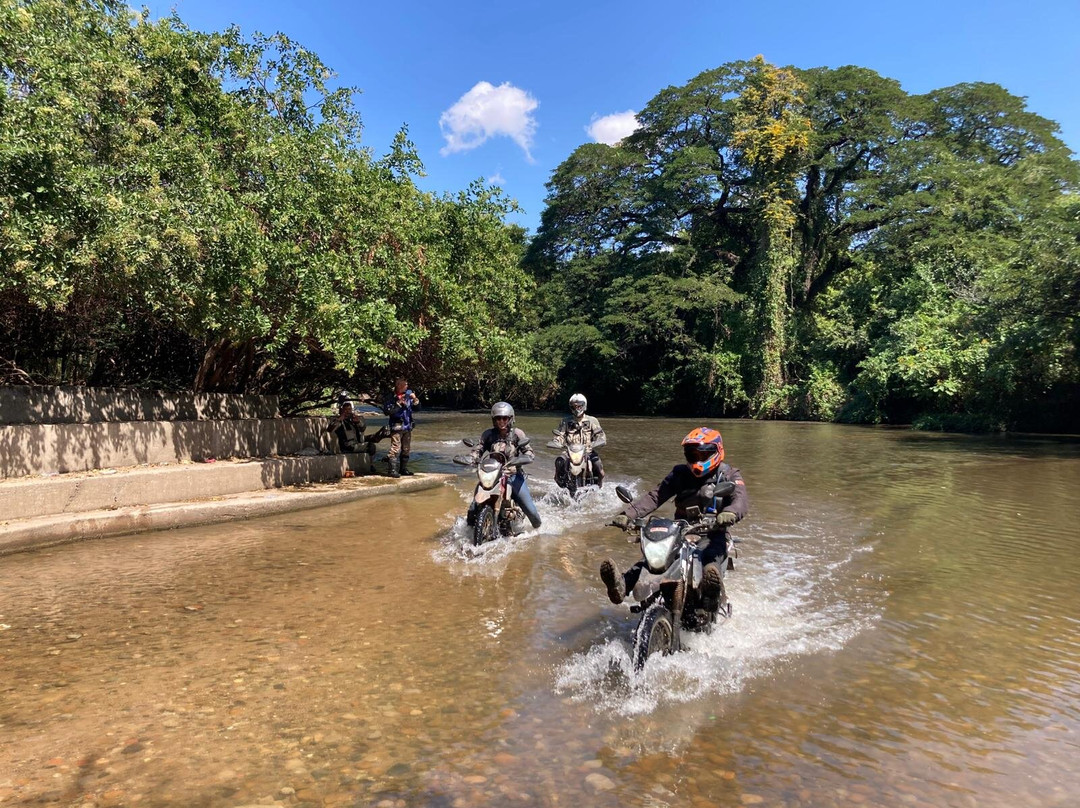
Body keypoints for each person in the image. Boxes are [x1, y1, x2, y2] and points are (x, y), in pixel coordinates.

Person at [600, 427, 748, 617]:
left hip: (713, 532)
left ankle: (709, 594)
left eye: (703, 454)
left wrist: (729, 513)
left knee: (710, 558)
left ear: (717, 451)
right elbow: (655, 496)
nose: (697, 459)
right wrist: (628, 514)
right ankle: (621, 585)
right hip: (681, 530)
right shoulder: (680, 473)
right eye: (692, 454)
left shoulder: (729, 475)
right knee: (655, 559)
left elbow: (740, 500)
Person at [467, 401, 542, 529]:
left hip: (513, 476)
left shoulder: (518, 434)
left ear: (510, 418)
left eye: (504, 418)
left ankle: (539, 532)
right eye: (498, 418)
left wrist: (525, 457)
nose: (501, 421)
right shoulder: (488, 435)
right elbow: (478, 449)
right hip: (492, 475)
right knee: (473, 508)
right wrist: (472, 458)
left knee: (531, 511)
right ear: (494, 420)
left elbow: (528, 451)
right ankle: (470, 532)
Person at [549, 393, 606, 488]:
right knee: (559, 462)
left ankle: (599, 487)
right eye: (574, 407)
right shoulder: (565, 421)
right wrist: (556, 441)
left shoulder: (592, 421)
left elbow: (600, 435)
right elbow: (560, 435)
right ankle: (559, 480)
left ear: (584, 406)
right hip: (570, 452)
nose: (577, 409)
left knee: (598, 466)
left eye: (579, 406)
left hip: (588, 451)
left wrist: (598, 441)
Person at [327, 399, 388, 472]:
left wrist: (358, 422)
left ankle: (380, 435)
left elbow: (363, 428)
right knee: (371, 446)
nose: (347, 412)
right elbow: (330, 429)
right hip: (349, 445)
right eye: (345, 410)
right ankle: (370, 465)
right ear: (341, 410)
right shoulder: (338, 420)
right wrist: (340, 419)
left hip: (358, 441)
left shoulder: (354, 419)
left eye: (349, 409)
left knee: (374, 438)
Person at [383, 378, 420, 478]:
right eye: (405, 385)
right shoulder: (391, 396)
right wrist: (399, 403)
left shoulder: (409, 395)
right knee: (395, 448)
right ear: (399, 385)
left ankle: (403, 469)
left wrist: (415, 399)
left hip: (407, 426)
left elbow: (417, 408)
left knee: (406, 448)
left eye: (407, 384)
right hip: (397, 426)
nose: (407, 386)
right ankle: (392, 470)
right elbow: (387, 411)